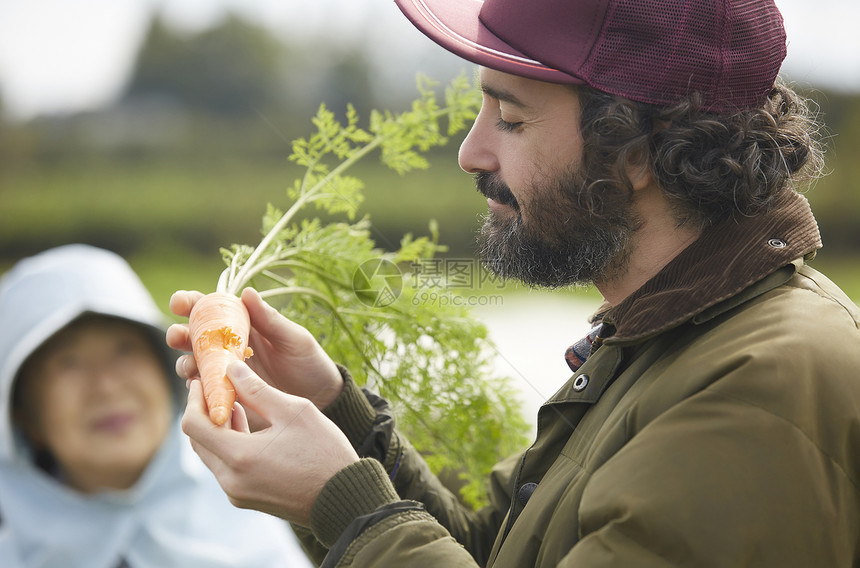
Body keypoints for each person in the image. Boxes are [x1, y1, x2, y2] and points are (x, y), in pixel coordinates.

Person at [171, 0, 860, 566]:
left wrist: (344, 503)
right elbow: (495, 552)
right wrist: (335, 418)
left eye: (511, 118)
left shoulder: (764, 383)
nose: (472, 152)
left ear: (637, 151)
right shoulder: (661, 340)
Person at [0, 244, 314, 568]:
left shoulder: (249, 519)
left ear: (166, 374)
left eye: (125, 350)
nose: (106, 386)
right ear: (23, 416)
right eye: (68, 363)